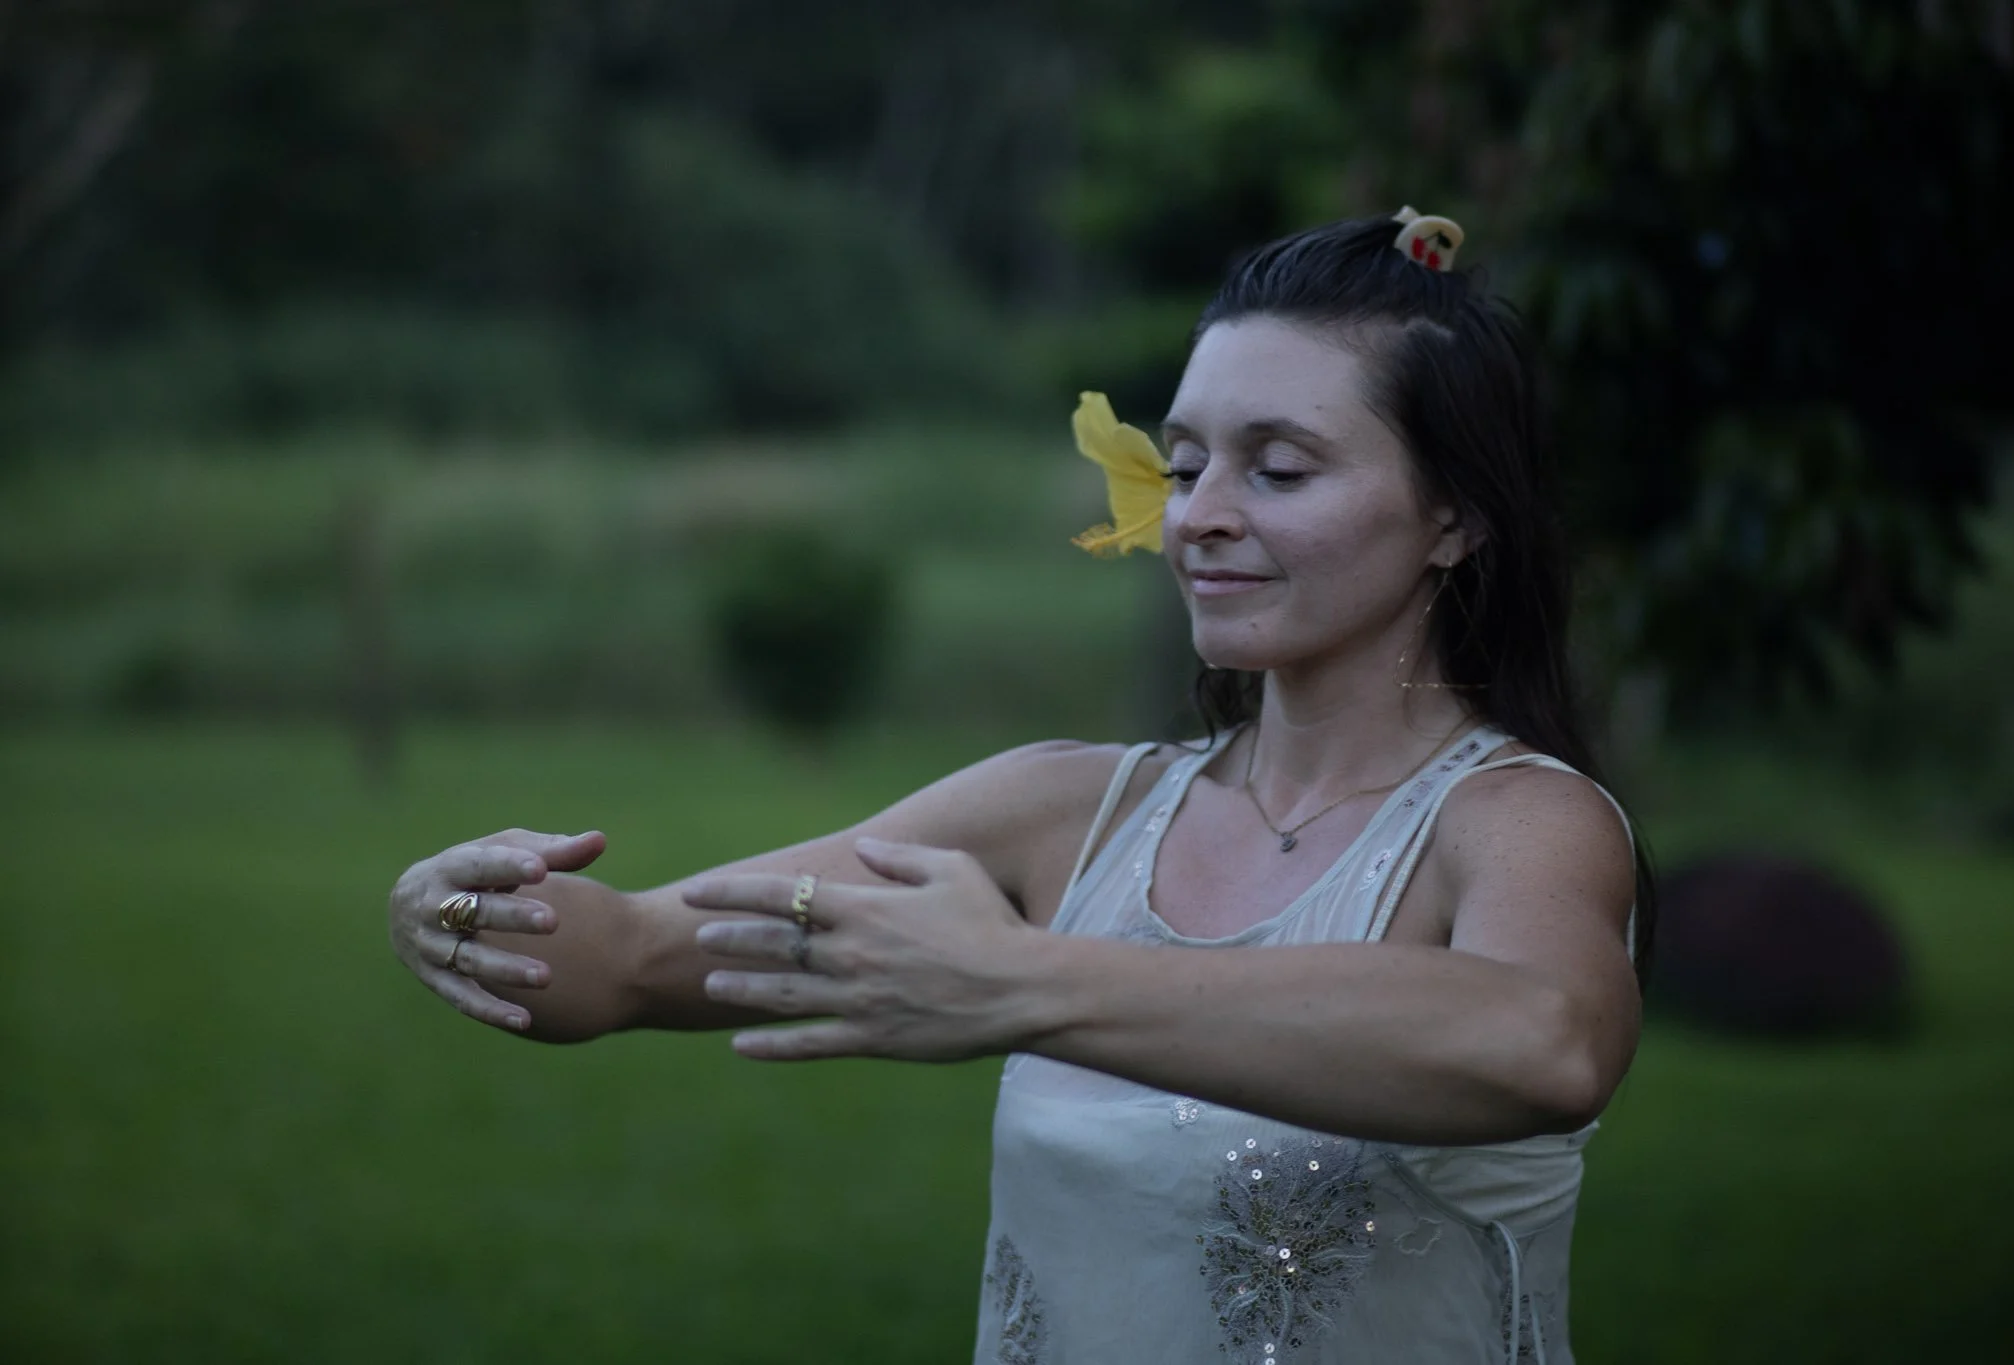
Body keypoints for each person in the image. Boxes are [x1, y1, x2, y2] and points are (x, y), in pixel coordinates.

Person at [387, 210, 1648, 1364]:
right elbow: (633, 959)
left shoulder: (1516, 822)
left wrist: (1026, 983)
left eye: (1277, 469)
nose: (1196, 516)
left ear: (1452, 518)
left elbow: (1544, 1043)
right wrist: (463, 913)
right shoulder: (1060, 815)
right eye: (1184, 464)